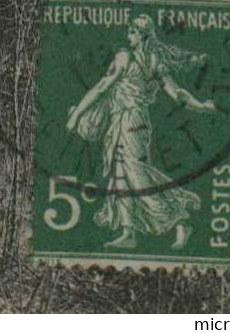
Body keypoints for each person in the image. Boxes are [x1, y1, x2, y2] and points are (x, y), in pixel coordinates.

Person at [65, 13, 217, 250]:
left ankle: (181, 219)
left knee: (136, 175)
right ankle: (129, 233)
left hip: (129, 121)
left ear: (143, 35)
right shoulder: (156, 61)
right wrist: (200, 106)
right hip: (131, 122)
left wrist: (76, 115)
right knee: (120, 175)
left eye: (133, 32)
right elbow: (177, 94)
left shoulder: (125, 57)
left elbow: (102, 86)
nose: (129, 35)